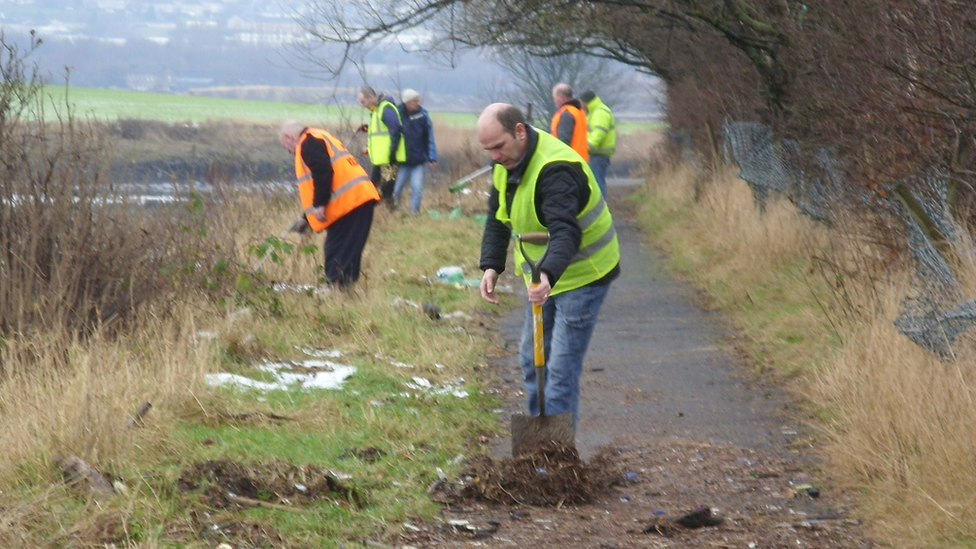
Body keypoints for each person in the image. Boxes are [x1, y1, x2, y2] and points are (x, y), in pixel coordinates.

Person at [477, 103, 620, 429]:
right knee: (531, 360)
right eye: (489, 150)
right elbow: (497, 218)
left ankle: (556, 456)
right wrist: (491, 266)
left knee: (559, 369)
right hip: (544, 275)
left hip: (586, 273)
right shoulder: (504, 163)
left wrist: (549, 277)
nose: (495, 156)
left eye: (499, 146)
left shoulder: (556, 169)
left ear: (520, 131)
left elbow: (566, 232)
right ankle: (539, 440)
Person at [279, 121, 380, 289]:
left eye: (287, 148)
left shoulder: (308, 142)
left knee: (338, 249)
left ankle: (337, 290)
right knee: (346, 249)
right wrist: (307, 217)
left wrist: (319, 205)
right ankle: (343, 290)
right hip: (355, 201)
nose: (290, 152)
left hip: (351, 203)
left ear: (289, 137)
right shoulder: (319, 136)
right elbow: (324, 179)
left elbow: (323, 173)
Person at [357, 86, 405, 208]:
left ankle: (390, 213)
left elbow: (396, 130)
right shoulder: (376, 110)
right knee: (374, 186)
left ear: (371, 97)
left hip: (390, 158)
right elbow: (377, 134)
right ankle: (385, 212)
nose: (363, 105)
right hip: (381, 158)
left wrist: (392, 152)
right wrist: (368, 147)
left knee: (386, 189)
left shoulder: (385, 108)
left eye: (364, 102)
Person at [393, 88, 438, 214]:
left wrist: (432, 157)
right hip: (402, 160)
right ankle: (394, 211)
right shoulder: (397, 115)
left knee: (417, 189)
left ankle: (414, 214)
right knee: (396, 189)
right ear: (407, 102)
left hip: (418, 160)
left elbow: (429, 137)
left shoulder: (423, 116)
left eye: (418, 101)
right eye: (414, 101)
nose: (417, 103)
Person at [579, 90, 617, 198]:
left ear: (585, 102)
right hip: (596, 154)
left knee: (597, 183)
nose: (581, 105)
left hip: (598, 154)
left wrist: (587, 148)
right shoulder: (595, 111)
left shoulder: (600, 112)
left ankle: (600, 209)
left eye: (581, 103)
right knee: (596, 182)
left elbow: (599, 133)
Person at [550, 82, 589, 162]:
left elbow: (563, 142)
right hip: (581, 160)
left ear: (561, 96)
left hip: (569, 161)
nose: (554, 101)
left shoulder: (566, 114)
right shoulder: (579, 112)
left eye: (555, 98)